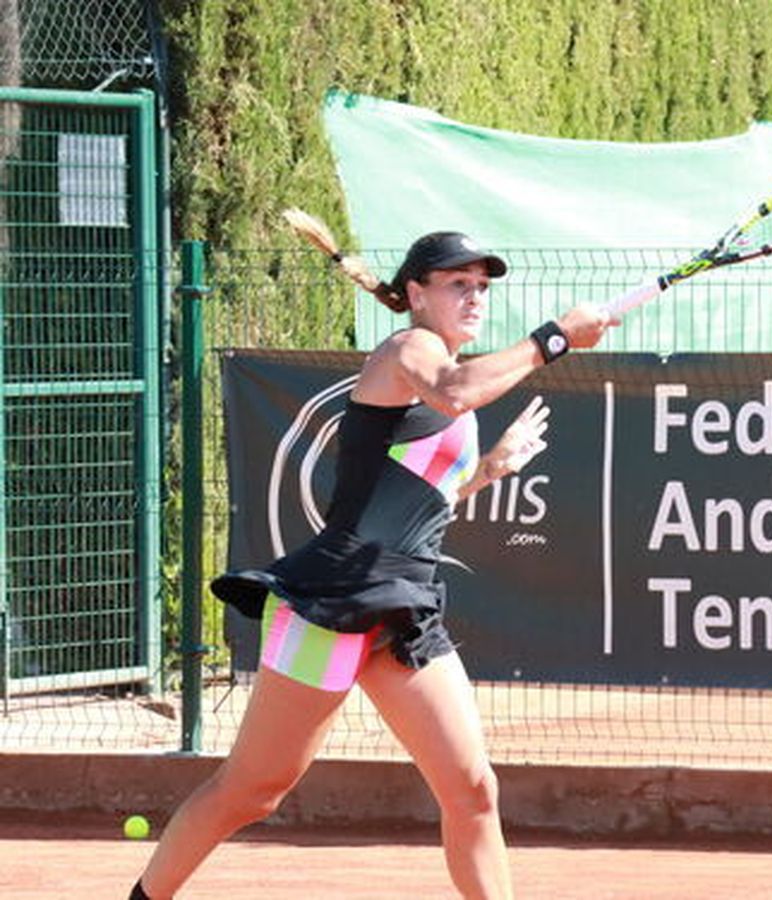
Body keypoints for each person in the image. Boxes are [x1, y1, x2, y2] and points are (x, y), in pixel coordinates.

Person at [131, 230, 611, 900]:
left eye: (481, 286)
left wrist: (489, 470)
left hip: (404, 604)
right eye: (457, 284)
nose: (474, 296)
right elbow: (456, 392)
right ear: (416, 294)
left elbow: (409, 494)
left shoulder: (442, 370)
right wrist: (553, 337)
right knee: (252, 791)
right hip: (336, 599)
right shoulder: (412, 349)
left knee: (472, 788)